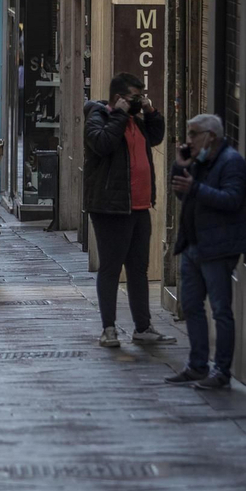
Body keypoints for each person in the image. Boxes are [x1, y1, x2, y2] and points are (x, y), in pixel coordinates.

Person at [82, 72, 175, 348]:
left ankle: (142, 327)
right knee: (111, 269)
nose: (140, 100)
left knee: (138, 269)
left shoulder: (137, 122)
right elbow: (102, 144)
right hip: (111, 208)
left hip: (139, 207)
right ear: (119, 98)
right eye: (136, 96)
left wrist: (150, 111)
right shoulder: (98, 117)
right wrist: (121, 115)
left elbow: (157, 137)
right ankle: (109, 329)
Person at [168, 113, 246, 390]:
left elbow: (232, 200)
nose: (188, 140)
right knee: (191, 306)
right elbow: (182, 193)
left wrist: (196, 188)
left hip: (218, 248)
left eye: (194, 134)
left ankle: (222, 371)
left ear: (210, 136)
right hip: (193, 246)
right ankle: (197, 365)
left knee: (220, 311)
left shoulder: (232, 162)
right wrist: (180, 168)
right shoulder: (200, 161)